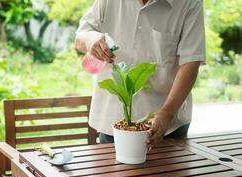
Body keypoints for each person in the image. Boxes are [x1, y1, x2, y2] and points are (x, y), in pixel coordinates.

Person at [75, 0, 206, 148]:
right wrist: (90, 40)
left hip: (166, 127)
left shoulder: (189, 3)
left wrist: (166, 114)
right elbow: (81, 37)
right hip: (112, 122)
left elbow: (191, 62)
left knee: (168, 171)